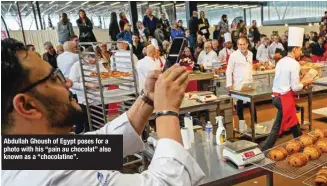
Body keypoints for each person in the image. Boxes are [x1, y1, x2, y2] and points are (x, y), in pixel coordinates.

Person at [1, 38, 205, 185]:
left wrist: (147, 99)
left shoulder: (22, 150)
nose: (68, 84)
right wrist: (166, 112)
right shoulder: (54, 177)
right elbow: (168, 182)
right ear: (27, 106)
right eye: (54, 78)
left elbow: (102, 144)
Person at [261, 27, 312, 151]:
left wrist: (300, 79)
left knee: (293, 122)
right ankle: (264, 149)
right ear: (295, 49)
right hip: (284, 98)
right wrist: (305, 83)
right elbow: (295, 88)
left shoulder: (281, 61)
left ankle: (300, 145)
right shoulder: (294, 63)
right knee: (278, 127)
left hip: (276, 97)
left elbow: (286, 80)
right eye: (300, 49)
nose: (301, 52)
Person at [68, 46, 107, 133]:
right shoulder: (77, 66)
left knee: (100, 124)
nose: (94, 61)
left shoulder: (99, 64)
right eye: (92, 58)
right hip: (86, 101)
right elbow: (72, 83)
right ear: (86, 56)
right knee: (89, 125)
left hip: (100, 99)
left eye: (97, 58)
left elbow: (105, 75)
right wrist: (87, 85)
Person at [226, 37, 255, 122]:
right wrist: (229, 84)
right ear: (237, 45)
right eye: (240, 44)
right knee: (239, 104)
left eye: (244, 44)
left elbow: (250, 68)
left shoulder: (250, 54)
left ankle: (255, 122)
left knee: (252, 104)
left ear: (247, 44)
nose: (242, 46)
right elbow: (229, 70)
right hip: (238, 84)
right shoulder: (233, 55)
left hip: (249, 82)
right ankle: (241, 122)